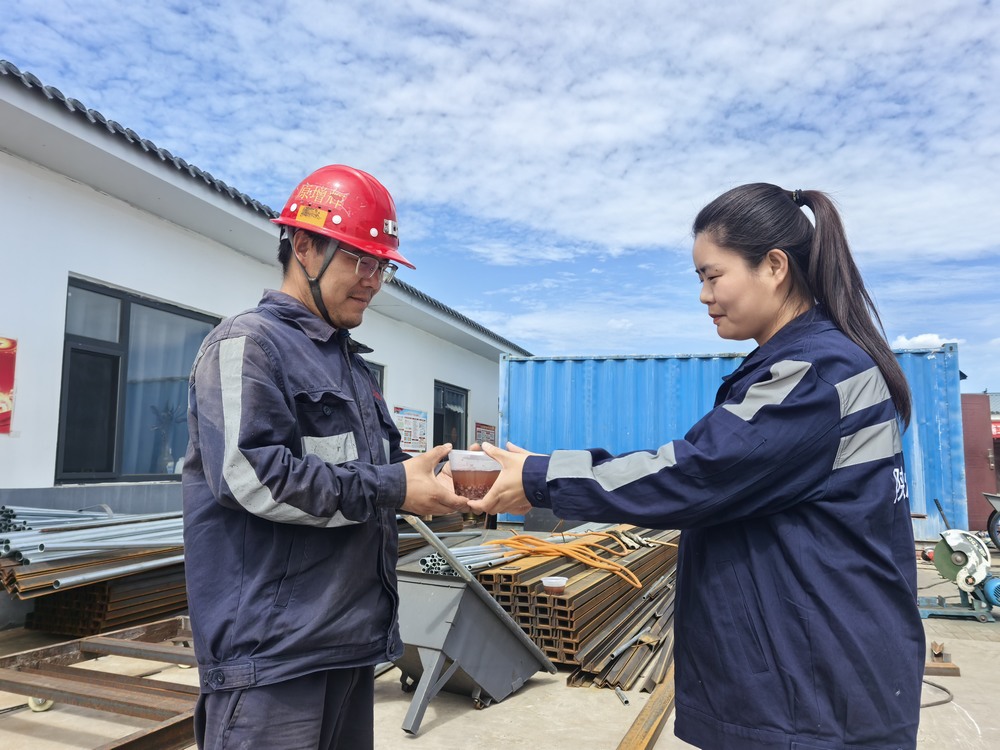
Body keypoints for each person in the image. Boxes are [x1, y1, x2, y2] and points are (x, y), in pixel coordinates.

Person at [470, 183, 924, 750]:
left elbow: (695, 472)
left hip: (815, 695)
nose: (705, 295)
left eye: (714, 276)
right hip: (820, 675)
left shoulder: (814, 375)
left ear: (774, 266)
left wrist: (541, 477)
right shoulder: (819, 364)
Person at [182, 164, 468, 750]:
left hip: (344, 642)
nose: (374, 281)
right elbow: (250, 477)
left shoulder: (349, 366)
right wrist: (394, 488)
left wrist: (431, 486)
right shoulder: (247, 345)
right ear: (304, 246)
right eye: (360, 260)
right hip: (270, 659)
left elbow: (363, 478)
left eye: (381, 265)